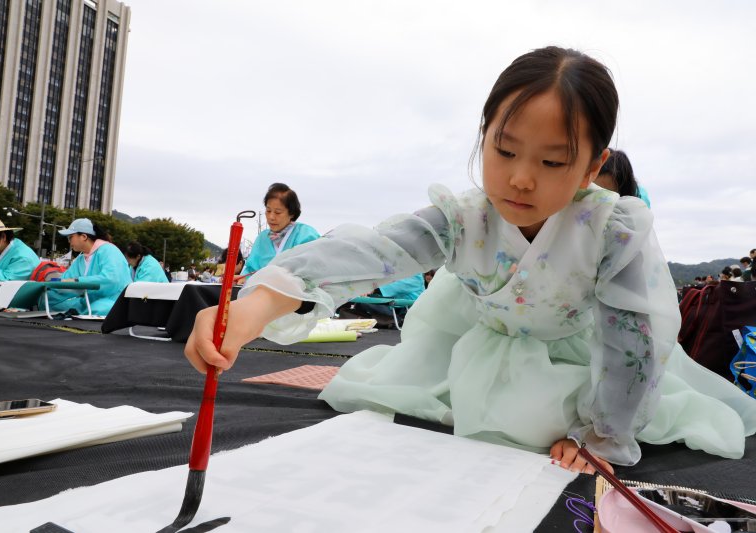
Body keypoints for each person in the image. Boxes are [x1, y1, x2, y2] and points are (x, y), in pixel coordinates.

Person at [184, 46, 756, 476]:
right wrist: (253, 307)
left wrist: (601, 437)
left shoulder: (611, 228)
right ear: (484, 136)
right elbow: (368, 254)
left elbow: (632, 335)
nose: (521, 177)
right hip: (480, 342)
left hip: (583, 354)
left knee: (562, 422)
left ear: (592, 165)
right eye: (504, 151)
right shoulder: (464, 218)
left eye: (554, 162)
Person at [45, 218, 131, 316]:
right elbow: (66, 280)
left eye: (71, 237)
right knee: (47, 300)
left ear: (84, 236)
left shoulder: (109, 250)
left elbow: (112, 279)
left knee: (98, 308)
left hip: (114, 300)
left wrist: (78, 281)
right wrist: (49, 284)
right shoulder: (81, 258)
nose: (69, 242)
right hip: (89, 301)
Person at [239, 183, 320, 276]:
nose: (271, 217)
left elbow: (313, 270)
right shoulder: (262, 238)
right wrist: (242, 278)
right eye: (268, 211)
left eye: (278, 212)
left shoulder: (306, 235)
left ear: (292, 213)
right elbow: (250, 271)